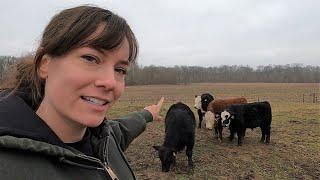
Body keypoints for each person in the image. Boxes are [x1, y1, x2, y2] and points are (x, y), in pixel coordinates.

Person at [0, 5, 164, 180]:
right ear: (45, 64)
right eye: (90, 58)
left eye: (120, 70)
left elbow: (122, 130)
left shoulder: (103, 139)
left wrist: (147, 114)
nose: (110, 82)